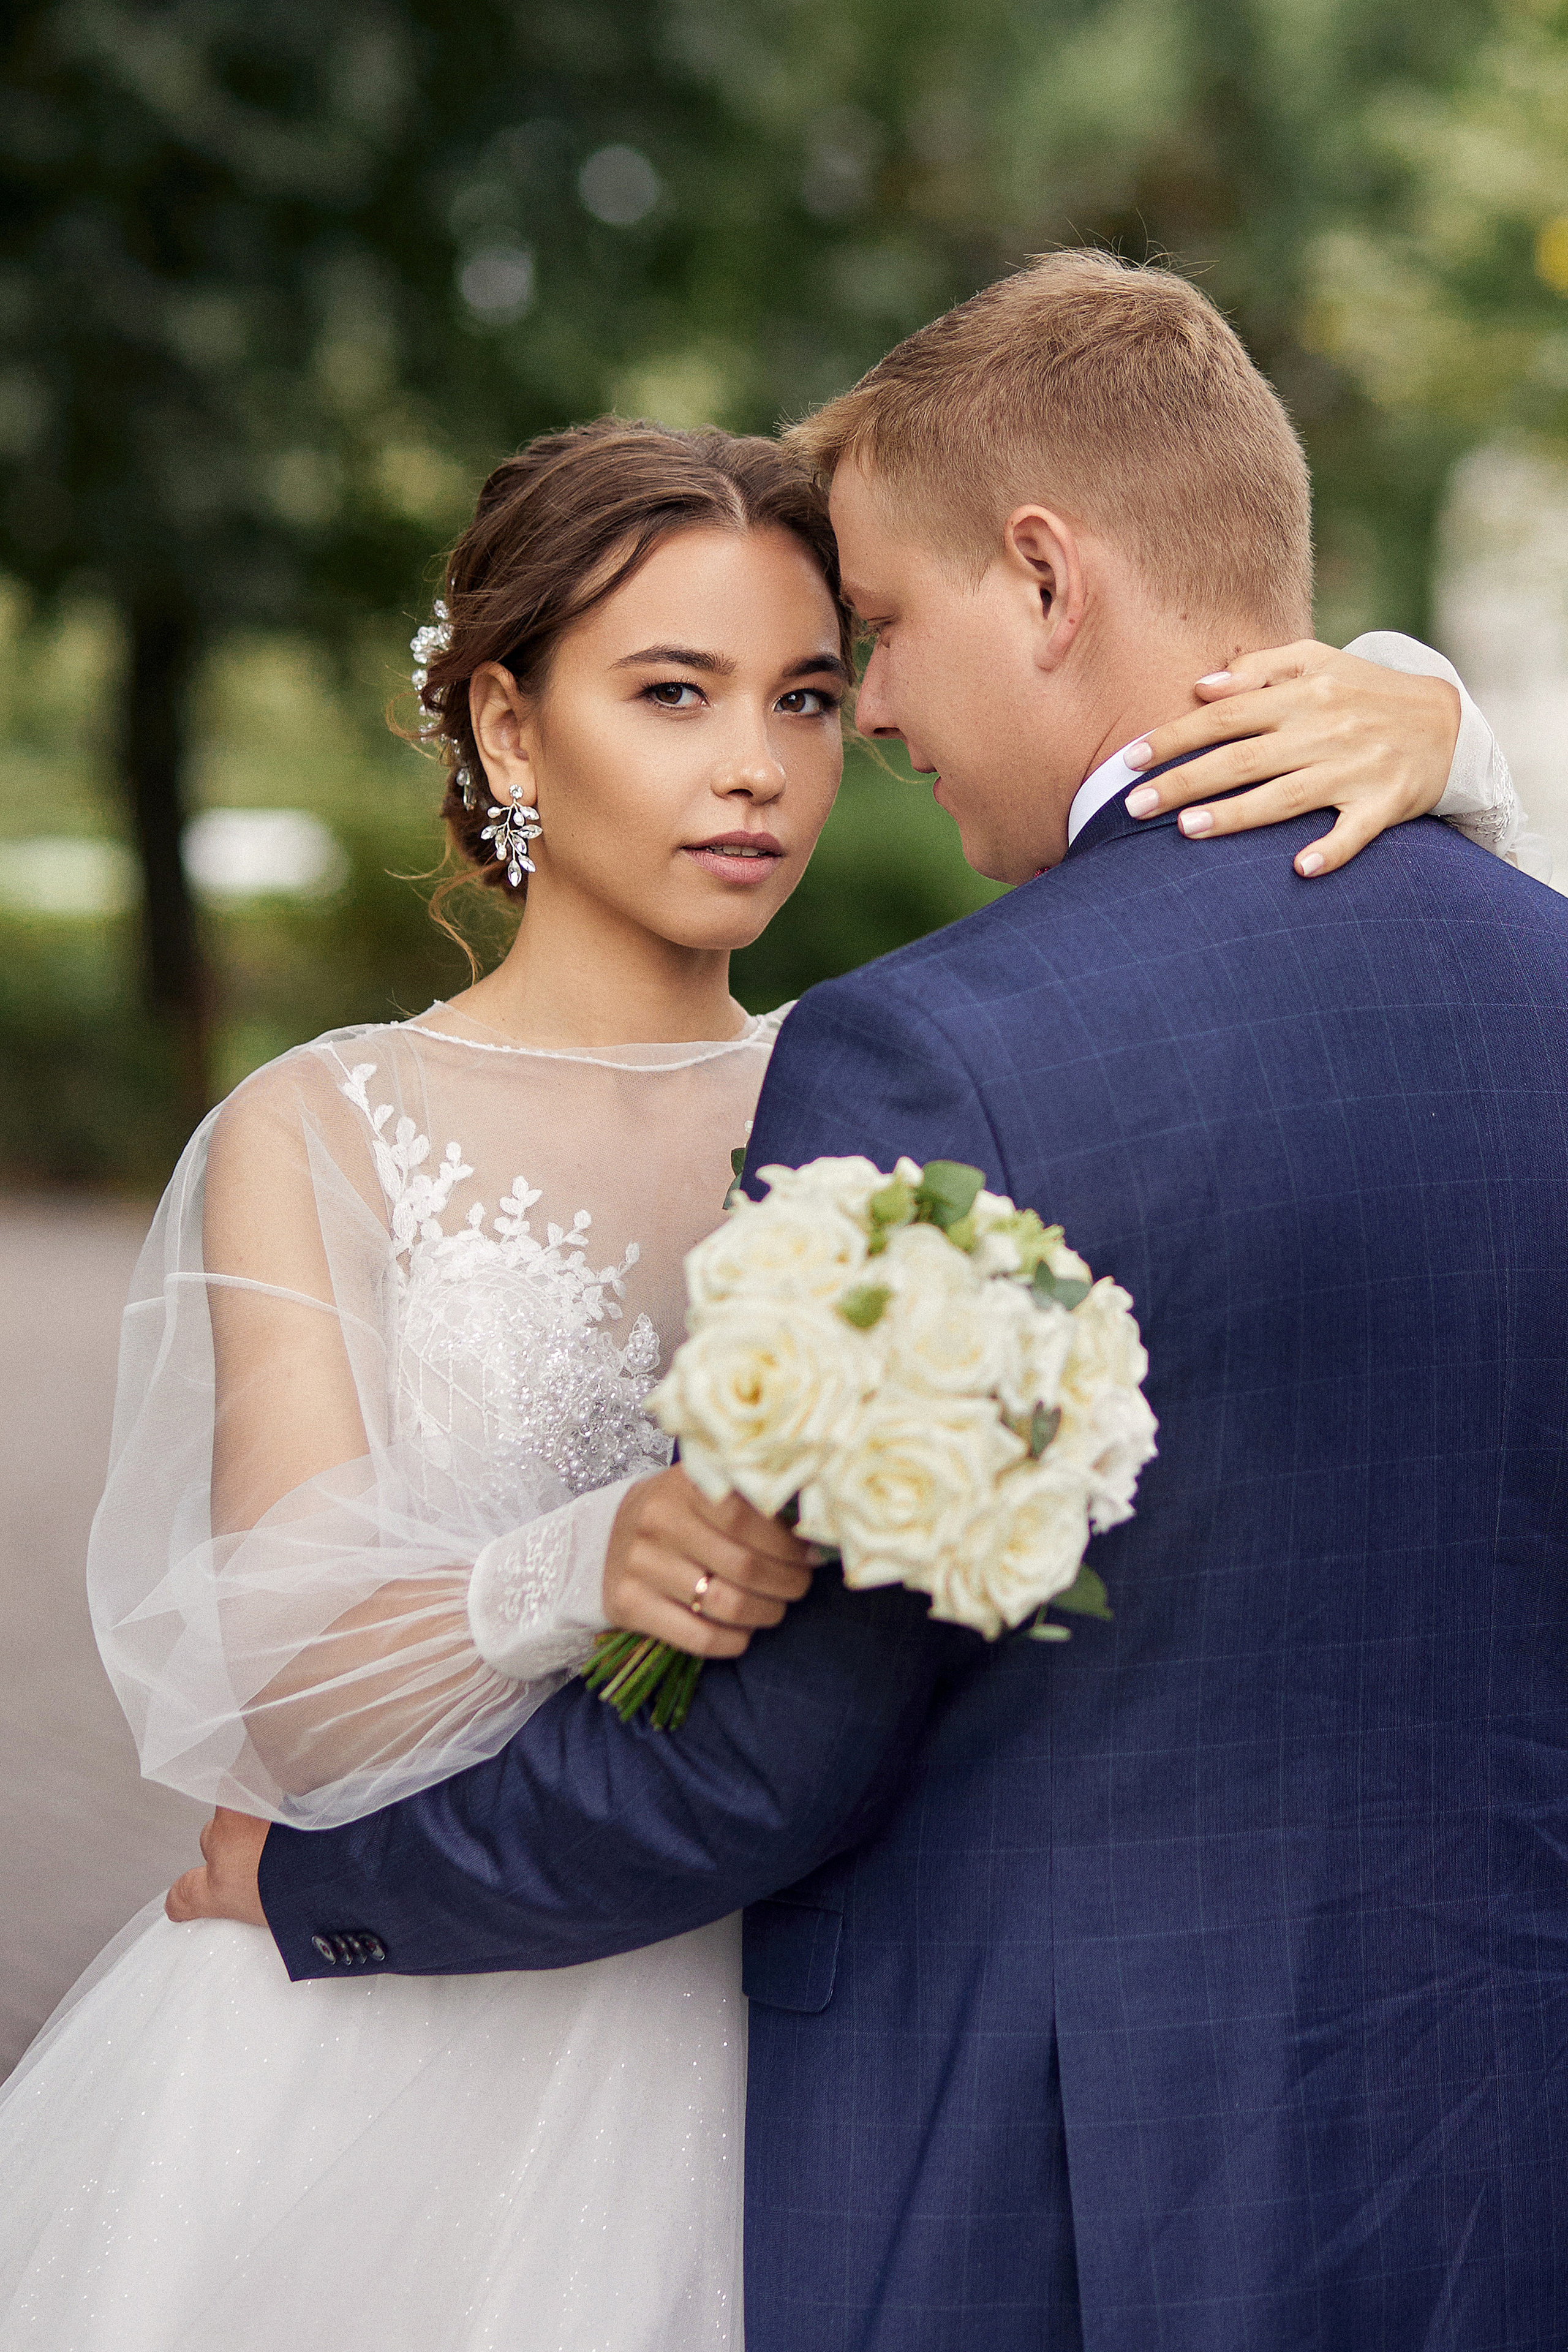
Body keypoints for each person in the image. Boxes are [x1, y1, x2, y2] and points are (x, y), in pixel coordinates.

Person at [0, 379, 1526, 2348]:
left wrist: (1441, 722)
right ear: (507, 723)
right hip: (422, 2058)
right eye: (674, 693)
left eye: (810, 695)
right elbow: (284, 1696)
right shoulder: (329, 1127)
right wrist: (581, 1564)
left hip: (843, 2039)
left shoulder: (904, 1085)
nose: (759, 768)